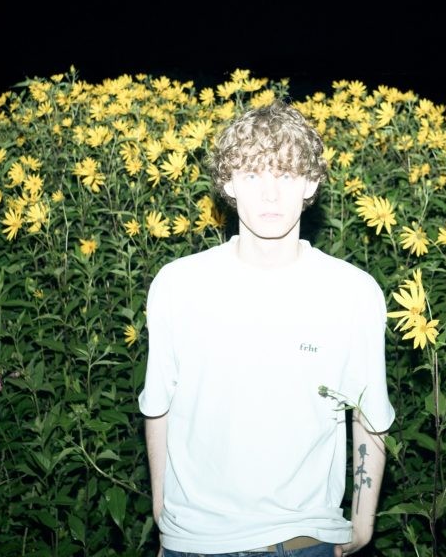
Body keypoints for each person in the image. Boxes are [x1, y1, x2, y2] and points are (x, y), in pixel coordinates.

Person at [139, 100, 396, 557]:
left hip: (303, 541)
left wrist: (362, 526)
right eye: (254, 174)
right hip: (193, 542)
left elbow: (370, 415)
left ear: (310, 183)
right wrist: (164, 515)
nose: (271, 195)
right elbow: (159, 406)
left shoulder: (353, 292)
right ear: (228, 183)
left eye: (287, 174)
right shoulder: (178, 285)